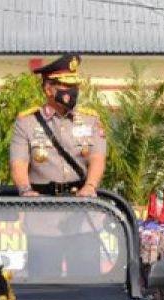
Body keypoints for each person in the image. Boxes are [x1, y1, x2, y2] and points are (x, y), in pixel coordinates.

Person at [10, 53, 106, 197]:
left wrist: (90, 186)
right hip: (40, 203)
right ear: (48, 89)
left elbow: (97, 157)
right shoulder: (27, 122)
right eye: (66, 85)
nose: (72, 90)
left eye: (74, 85)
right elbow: (19, 163)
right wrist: (25, 190)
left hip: (81, 201)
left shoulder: (90, 120)